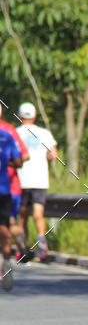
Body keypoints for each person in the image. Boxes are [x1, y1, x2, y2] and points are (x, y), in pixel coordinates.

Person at [16, 102, 58, 261]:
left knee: (22, 217)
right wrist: (46, 157)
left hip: (21, 180)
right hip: (40, 180)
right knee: (38, 214)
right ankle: (42, 242)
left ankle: (23, 249)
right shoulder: (44, 133)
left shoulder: (15, 133)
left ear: (20, 116)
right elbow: (53, 154)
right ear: (34, 116)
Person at [0, 104, 29, 258]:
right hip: (10, 187)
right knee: (9, 222)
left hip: (9, 186)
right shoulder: (9, 131)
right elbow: (24, 157)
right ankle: (20, 248)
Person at [0, 123, 23, 291]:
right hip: (3, 189)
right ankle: (6, 258)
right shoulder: (6, 136)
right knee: (4, 225)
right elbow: (19, 161)